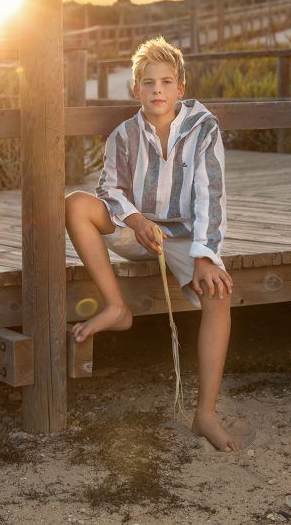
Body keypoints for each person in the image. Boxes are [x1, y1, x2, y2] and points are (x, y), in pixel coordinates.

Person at [64, 35, 238, 452]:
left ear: (180, 87)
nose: (156, 90)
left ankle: (206, 414)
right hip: (135, 228)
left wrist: (205, 256)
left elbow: (210, 194)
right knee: (75, 205)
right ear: (135, 89)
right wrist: (138, 220)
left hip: (181, 234)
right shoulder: (124, 135)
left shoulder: (203, 129)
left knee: (218, 296)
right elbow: (109, 189)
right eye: (147, 83)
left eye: (165, 81)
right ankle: (116, 306)